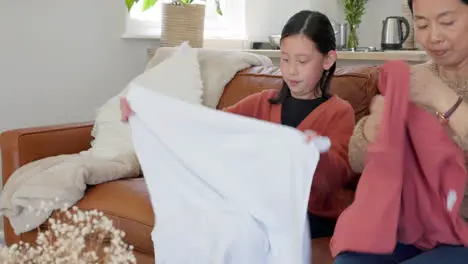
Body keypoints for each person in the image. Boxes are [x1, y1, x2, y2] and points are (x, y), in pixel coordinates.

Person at [121, 10, 356, 239]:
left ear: (328, 59)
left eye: (302, 61)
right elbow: (208, 125)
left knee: (238, 226)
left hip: (309, 216)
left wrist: (316, 153)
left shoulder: (339, 112)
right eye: (285, 59)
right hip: (257, 208)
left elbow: (337, 177)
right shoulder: (262, 102)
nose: (291, 70)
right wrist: (147, 112)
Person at [335, 0, 468, 263]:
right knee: (349, 261)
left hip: (462, 228)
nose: (433, 36)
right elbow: (357, 161)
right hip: (415, 226)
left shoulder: (428, 87)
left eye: (447, 22)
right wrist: (374, 132)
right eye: (422, 24)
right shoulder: (412, 80)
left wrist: (444, 100)